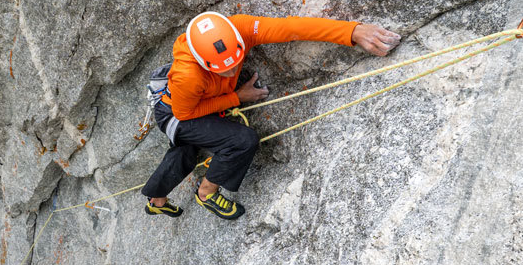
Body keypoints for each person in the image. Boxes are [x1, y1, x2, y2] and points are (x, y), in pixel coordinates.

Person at [144, 12, 400, 220]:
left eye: (236, 60)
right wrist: (237, 98)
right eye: (223, 70)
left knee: (187, 149)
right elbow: (184, 113)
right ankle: (206, 192)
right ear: (201, 61)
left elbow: (291, 28)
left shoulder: (238, 29)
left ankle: (157, 199)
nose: (233, 69)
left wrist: (352, 32)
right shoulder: (188, 75)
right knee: (241, 140)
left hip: (192, 108)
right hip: (177, 114)